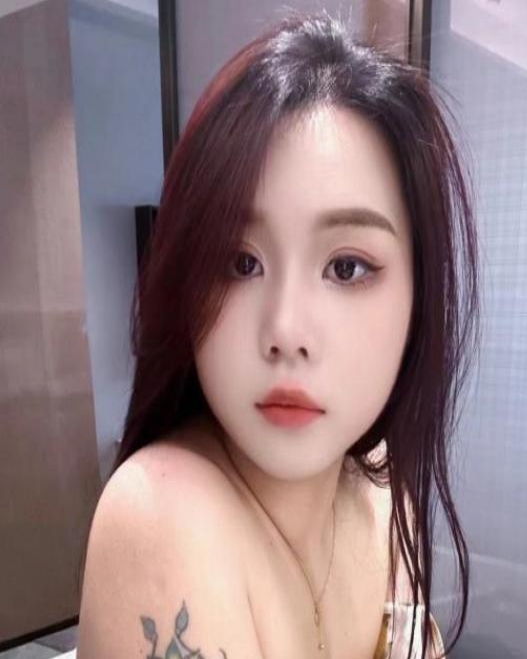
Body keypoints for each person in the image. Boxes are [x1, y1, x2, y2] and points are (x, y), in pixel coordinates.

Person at [76, 9, 480, 659]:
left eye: (346, 267)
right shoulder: (162, 515)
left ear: (419, 294)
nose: (286, 331)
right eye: (240, 263)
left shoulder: (384, 486)